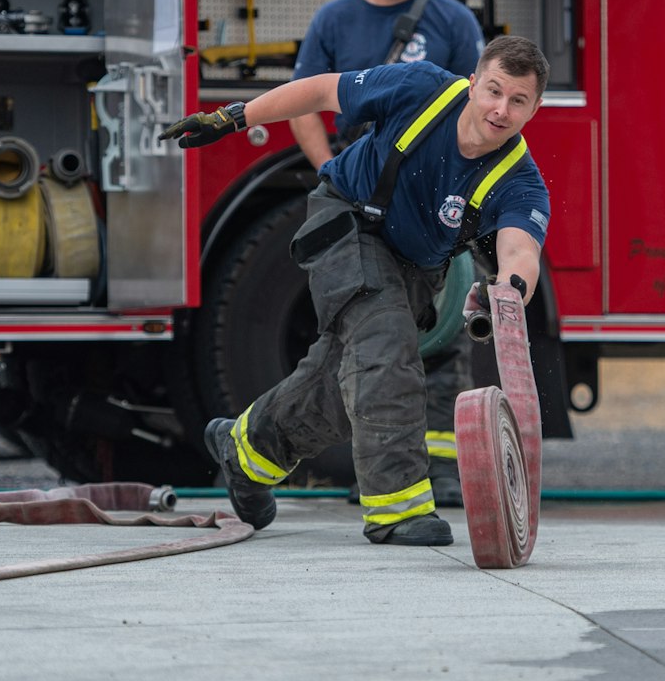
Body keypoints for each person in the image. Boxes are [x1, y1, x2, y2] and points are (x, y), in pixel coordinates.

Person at [163, 35, 552, 545]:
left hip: (412, 270)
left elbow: (521, 252)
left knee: (341, 382)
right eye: (494, 91)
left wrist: (506, 290)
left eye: (517, 100)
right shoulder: (422, 87)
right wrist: (234, 116)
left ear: (535, 108)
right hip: (347, 221)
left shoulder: (522, 183)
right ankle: (398, 510)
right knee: (386, 350)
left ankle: (245, 453)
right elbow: (323, 91)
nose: (501, 109)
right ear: (474, 82)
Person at [287, 0, 486, 505]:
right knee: (368, 338)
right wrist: (328, 170)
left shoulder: (451, 22)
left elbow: (480, 112)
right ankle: (382, 469)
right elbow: (303, 99)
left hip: (432, 204)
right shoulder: (334, 20)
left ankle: (443, 472)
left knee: (443, 334)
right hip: (359, 204)